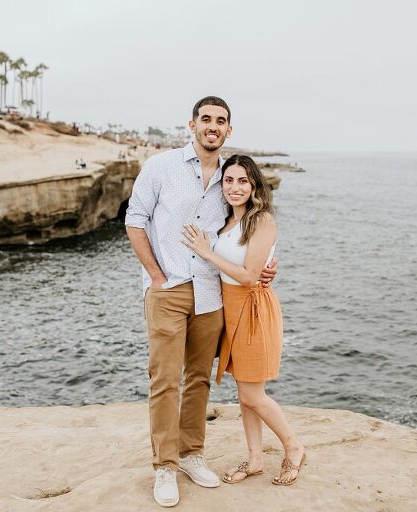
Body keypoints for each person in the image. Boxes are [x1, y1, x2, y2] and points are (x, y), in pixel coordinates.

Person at [124, 96, 277, 507]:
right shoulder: (160, 167)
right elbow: (135, 219)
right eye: (205, 119)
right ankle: (164, 467)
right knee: (164, 379)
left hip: (212, 294)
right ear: (191, 124)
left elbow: (244, 230)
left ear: (230, 129)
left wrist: (265, 266)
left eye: (220, 121)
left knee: (198, 379)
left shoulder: (231, 176)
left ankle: (192, 454)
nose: (213, 126)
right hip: (168, 288)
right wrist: (156, 276)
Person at [181, 155, 306, 487]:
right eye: (229, 181)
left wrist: (208, 253)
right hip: (229, 311)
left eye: (243, 181)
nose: (235, 188)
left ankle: (294, 446)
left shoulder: (261, 220)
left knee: (253, 395)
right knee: (245, 393)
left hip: (252, 309)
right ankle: (255, 459)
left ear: (254, 186)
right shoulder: (226, 222)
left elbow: (251, 277)